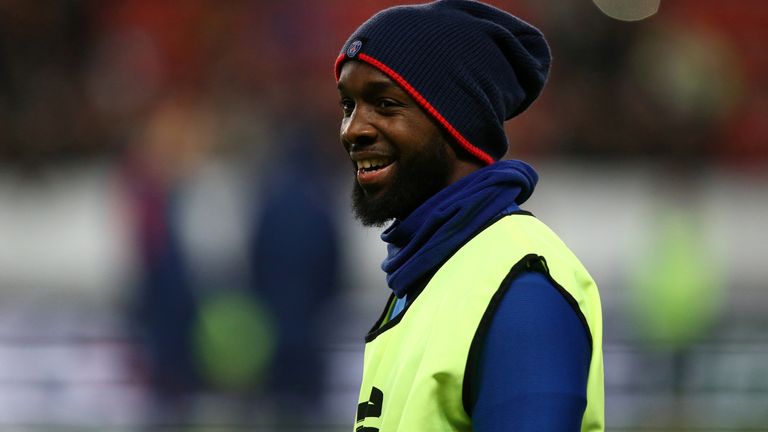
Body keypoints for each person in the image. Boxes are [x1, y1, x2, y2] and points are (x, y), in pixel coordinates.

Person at [334, 1, 603, 431]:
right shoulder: (429, 272)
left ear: (455, 122)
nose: (353, 129)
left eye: (384, 104)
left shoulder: (521, 285)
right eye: (349, 106)